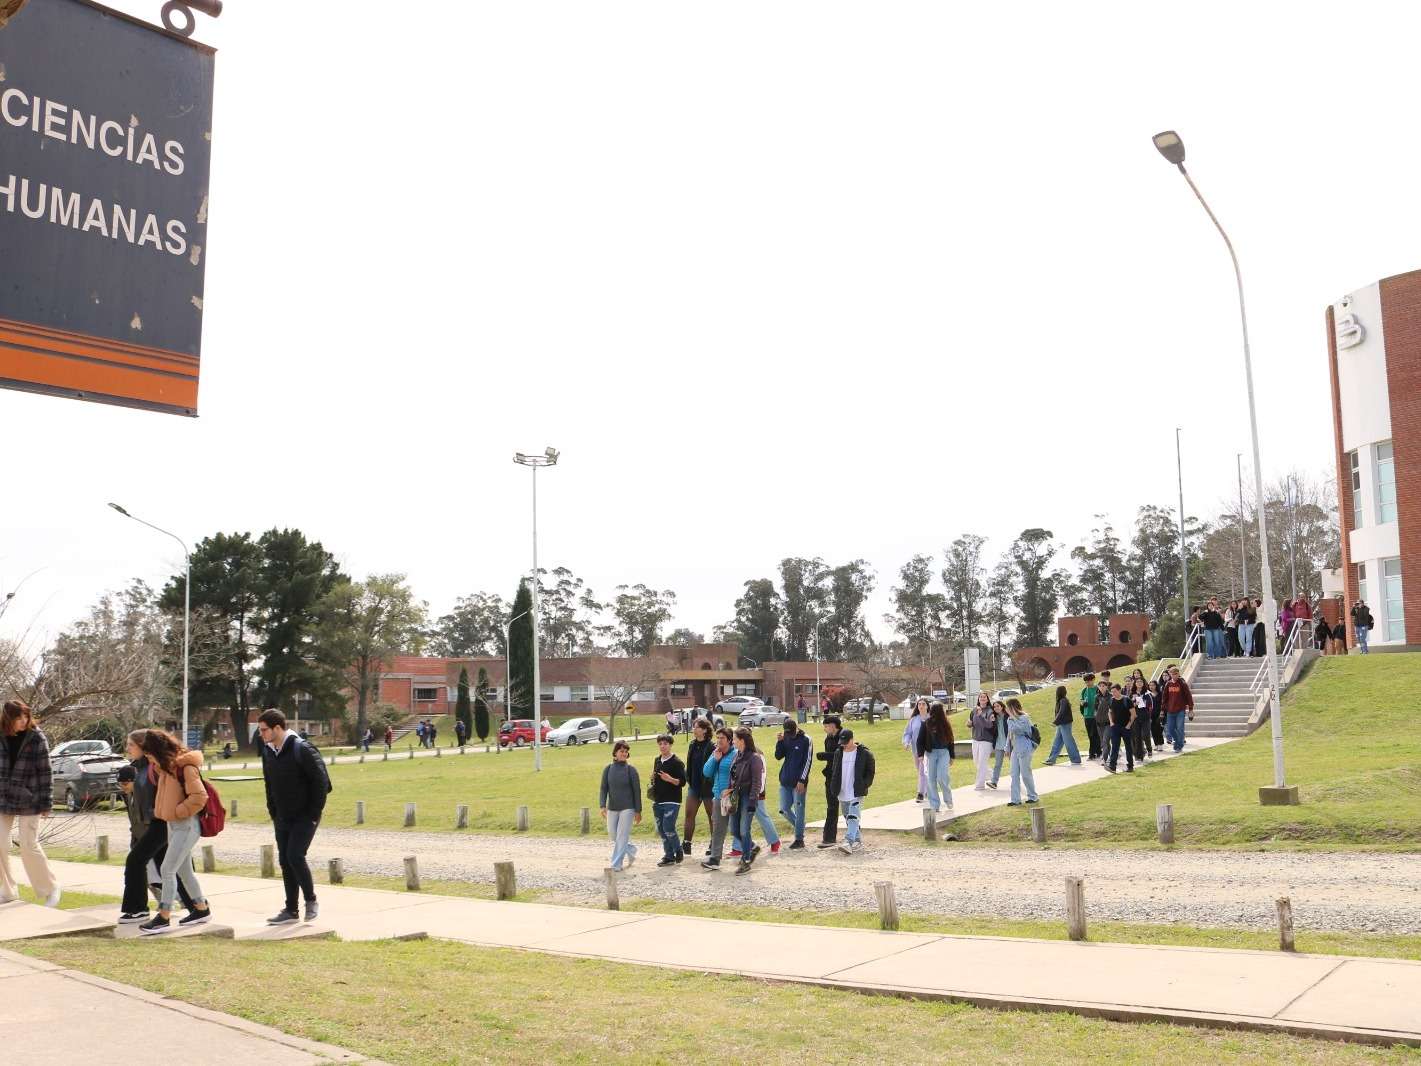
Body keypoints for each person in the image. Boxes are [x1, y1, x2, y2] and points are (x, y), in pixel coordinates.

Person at [257, 709, 329, 923]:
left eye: (264, 730)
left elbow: (321, 783)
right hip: (282, 816)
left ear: (277, 728)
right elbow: (268, 784)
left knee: (295, 856)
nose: (261, 734)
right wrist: (273, 811)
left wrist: (313, 813)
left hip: (305, 816)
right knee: (285, 861)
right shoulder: (268, 751)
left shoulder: (302, 748)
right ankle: (291, 910)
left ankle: (311, 900)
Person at [116, 731, 195, 924]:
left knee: (135, 861)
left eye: (131, 745)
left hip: (160, 822)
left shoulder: (155, 767)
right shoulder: (138, 768)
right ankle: (196, 905)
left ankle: (138, 909)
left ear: (143, 747)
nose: (127, 749)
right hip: (151, 823)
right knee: (169, 867)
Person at [137, 729, 211, 934]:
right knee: (183, 871)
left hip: (185, 826)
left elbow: (199, 797)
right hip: (174, 825)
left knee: (167, 869)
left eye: (150, 754)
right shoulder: (166, 768)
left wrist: (179, 812)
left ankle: (164, 916)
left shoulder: (184, 767)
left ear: (157, 751)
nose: (148, 759)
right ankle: (201, 909)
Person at [0, 700, 60, 907]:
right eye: (19, 717)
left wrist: (47, 802)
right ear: (8, 719)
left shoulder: (36, 737)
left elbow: (46, 771)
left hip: (31, 798)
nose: (24, 721)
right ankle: (8, 891)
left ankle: (50, 888)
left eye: (26, 716)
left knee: (28, 845)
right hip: (3, 798)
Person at [829, 729, 875, 854]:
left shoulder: (864, 753)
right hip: (842, 791)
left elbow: (870, 772)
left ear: (852, 739)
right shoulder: (839, 753)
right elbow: (835, 771)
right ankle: (857, 840)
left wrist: (864, 785)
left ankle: (848, 841)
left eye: (846, 742)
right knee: (848, 817)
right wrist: (834, 786)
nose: (843, 744)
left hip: (856, 791)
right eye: (842, 742)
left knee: (854, 816)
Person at [599, 740, 642, 872]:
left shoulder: (631, 770)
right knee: (613, 835)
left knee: (622, 836)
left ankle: (616, 864)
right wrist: (602, 805)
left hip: (628, 808)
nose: (624, 753)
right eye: (621, 751)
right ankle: (631, 850)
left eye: (626, 751)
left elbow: (637, 791)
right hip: (612, 807)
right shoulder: (608, 769)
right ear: (615, 753)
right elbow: (603, 788)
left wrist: (638, 811)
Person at [728, 728, 766, 874]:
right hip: (736, 796)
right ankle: (752, 847)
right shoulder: (737, 755)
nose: (733, 741)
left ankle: (746, 860)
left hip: (748, 797)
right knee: (734, 830)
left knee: (744, 830)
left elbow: (757, 782)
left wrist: (752, 802)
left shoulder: (754, 758)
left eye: (735, 739)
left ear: (742, 740)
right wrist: (728, 790)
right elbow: (732, 776)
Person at [774, 718, 813, 849]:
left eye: (791, 733)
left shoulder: (806, 739)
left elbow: (808, 761)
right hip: (785, 780)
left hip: (799, 783)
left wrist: (802, 780)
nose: (789, 736)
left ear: (796, 728)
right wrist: (779, 742)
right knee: (784, 809)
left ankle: (799, 839)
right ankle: (800, 826)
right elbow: (778, 756)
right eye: (787, 734)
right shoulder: (785, 738)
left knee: (799, 810)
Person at [701, 727, 736, 869]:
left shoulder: (736, 754)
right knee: (718, 829)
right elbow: (706, 772)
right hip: (718, 797)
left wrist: (732, 790)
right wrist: (715, 759)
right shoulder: (716, 753)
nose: (719, 740)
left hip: (734, 797)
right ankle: (715, 859)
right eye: (718, 738)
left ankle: (749, 850)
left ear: (729, 740)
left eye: (722, 738)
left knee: (737, 828)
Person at [649, 734, 685, 867]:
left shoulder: (677, 762)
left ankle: (678, 850)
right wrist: (652, 777)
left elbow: (682, 782)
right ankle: (669, 856)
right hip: (658, 800)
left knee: (668, 827)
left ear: (670, 745)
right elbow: (655, 780)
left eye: (665, 744)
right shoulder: (657, 760)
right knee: (662, 830)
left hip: (672, 801)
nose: (662, 746)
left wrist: (669, 779)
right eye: (660, 744)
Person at [682, 718, 715, 854]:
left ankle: (714, 844)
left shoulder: (712, 746)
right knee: (689, 814)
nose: (694, 729)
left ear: (705, 730)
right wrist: (688, 778)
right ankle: (686, 843)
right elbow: (689, 764)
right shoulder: (692, 745)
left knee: (711, 816)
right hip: (694, 786)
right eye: (694, 727)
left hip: (708, 787)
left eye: (696, 727)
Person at [916, 702, 955, 812]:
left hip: (944, 753)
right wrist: (920, 755)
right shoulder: (926, 724)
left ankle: (948, 800)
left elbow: (951, 741)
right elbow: (920, 741)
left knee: (942, 777)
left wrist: (952, 756)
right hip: (930, 753)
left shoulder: (946, 724)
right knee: (931, 779)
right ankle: (934, 805)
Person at [814, 716, 843, 849]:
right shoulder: (828, 738)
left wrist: (824, 755)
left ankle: (854, 836)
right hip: (830, 775)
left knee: (848, 807)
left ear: (832, 725)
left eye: (826, 726)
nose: (824, 729)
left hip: (842, 776)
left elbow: (840, 754)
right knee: (831, 806)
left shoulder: (843, 736)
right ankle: (829, 837)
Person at [1003, 698, 1039, 804]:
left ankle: (1033, 796)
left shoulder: (1024, 718)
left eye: (1007, 707)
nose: (1005, 709)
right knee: (1014, 774)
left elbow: (1019, 730)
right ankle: (1015, 800)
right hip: (1015, 749)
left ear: (1012, 707)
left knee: (1025, 774)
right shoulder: (1010, 720)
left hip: (1024, 748)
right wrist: (1007, 748)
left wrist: (1011, 720)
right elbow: (1010, 735)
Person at [1043, 685, 1081, 766]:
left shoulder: (1063, 700)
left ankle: (1076, 759)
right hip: (1061, 724)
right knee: (1057, 742)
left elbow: (1061, 712)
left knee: (1069, 742)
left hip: (1065, 724)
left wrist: (1055, 722)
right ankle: (1051, 760)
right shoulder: (1061, 700)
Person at [1160, 665, 1194, 753]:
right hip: (1170, 711)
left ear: (1178, 674)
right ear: (1170, 674)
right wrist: (1163, 710)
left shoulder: (1182, 683)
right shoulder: (1168, 684)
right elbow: (1164, 698)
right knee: (1170, 729)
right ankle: (1178, 741)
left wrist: (1191, 709)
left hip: (1180, 710)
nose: (1174, 675)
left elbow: (1188, 696)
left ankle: (1179, 746)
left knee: (1180, 728)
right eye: (1172, 674)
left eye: (1176, 674)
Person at [1103, 684, 1135, 774]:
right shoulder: (1111, 700)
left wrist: (1129, 725)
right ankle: (1112, 767)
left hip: (1126, 727)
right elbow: (1109, 712)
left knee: (1128, 747)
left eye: (1115, 691)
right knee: (1115, 747)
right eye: (1112, 692)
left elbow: (1133, 714)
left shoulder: (1127, 700)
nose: (1113, 693)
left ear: (1119, 690)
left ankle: (1130, 766)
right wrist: (1111, 722)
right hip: (1115, 727)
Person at [902, 698, 929, 803]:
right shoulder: (914, 720)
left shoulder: (931, 718)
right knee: (921, 771)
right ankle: (927, 790)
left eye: (923, 704)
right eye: (919, 704)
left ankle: (920, 793)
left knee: (922, 771)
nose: (921, 706)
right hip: (916, 750)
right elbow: (907, 733)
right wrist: (906, 742)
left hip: (927, 750)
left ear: (927, 706)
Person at [969, 693, 996, 789]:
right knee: (976, 761)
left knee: (982, 763)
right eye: (981, 697)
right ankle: (994, 777)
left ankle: (980, 785)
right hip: (975, 739)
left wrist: (980, 716)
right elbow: (972, 723)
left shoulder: (990, 711)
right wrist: (969, 724)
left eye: (984, 697)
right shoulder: (974, 710)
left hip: (986, 740)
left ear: (987, 699)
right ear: (978, 699)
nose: (982, 698)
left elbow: (989, 725)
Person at [986, 700, 1010, 790]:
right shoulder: (994, 718)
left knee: (1014, 763)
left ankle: (1017, 780)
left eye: (997, 706)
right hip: (999, 745)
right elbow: (991, 732)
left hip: (1009, 744)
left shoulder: (1008, 716)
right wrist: (991, 722)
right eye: (994, 707)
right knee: (997, 764)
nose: (996, 708)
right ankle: (994, 782)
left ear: (1002, 707)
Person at [1129, 678, 1154, 762]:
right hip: (1135, 718)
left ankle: (1149, 749)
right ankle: (1139, 756)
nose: (1139, 683)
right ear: (1135, 683)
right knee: (1137, 737)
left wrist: (1146, 706)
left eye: (1141, 682)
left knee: (1145, 734)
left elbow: (1151, 706)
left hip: (1145, 717)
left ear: (1143, 683)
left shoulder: (1147, 693)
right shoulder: (1132, 694)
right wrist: (1134, 704)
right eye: (1137, 682)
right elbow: (1129, 705)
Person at [1078, 673, 1101, 761]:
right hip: (1087, 716)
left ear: (1093, 679)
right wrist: (1082, 703)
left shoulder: (1097, 689)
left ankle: (1097, 752)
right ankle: (1093, 753)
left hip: (1096, 716)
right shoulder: (1084, 690)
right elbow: (1081, 701)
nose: (1087, 683)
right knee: (1090, 735)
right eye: (1086, 682)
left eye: (1089, 681)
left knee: (1096, 734)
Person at [1147, 679, 1165, 747]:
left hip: (1159, 714)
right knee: (1153, 729)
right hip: (1151, 715)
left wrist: (1162, 712)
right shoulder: (1148, 695)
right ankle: (1156, 744)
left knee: (1159, 729)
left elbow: (1163, 703)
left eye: (1153, 685)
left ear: (1156, 686)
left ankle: (1160, 744)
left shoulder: (1160, 694)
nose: (1151, 687)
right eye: (1150, 685)